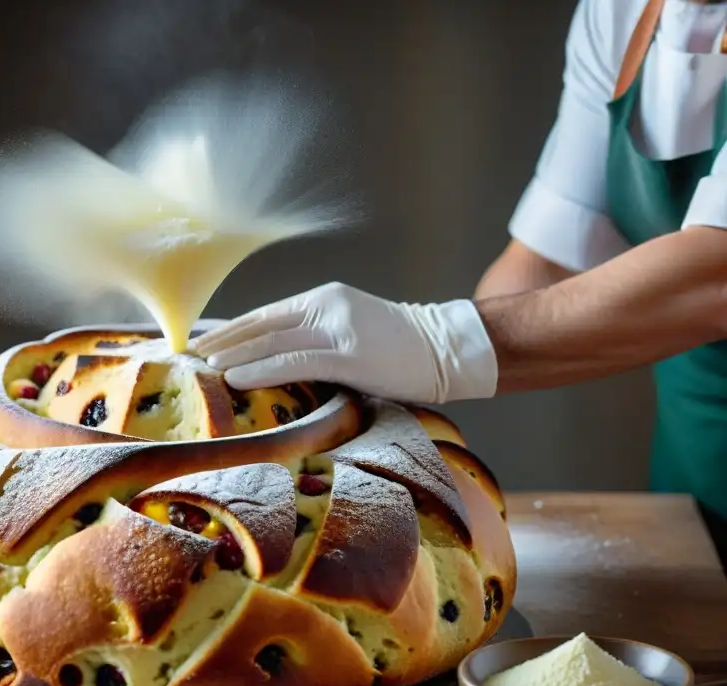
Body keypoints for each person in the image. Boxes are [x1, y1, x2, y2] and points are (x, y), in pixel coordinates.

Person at [191, 0, 727, 564]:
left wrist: (435, 342)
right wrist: (370, 397)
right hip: (694, 472)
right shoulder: (621, 13)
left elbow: (714, 276)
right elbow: (548, 259)